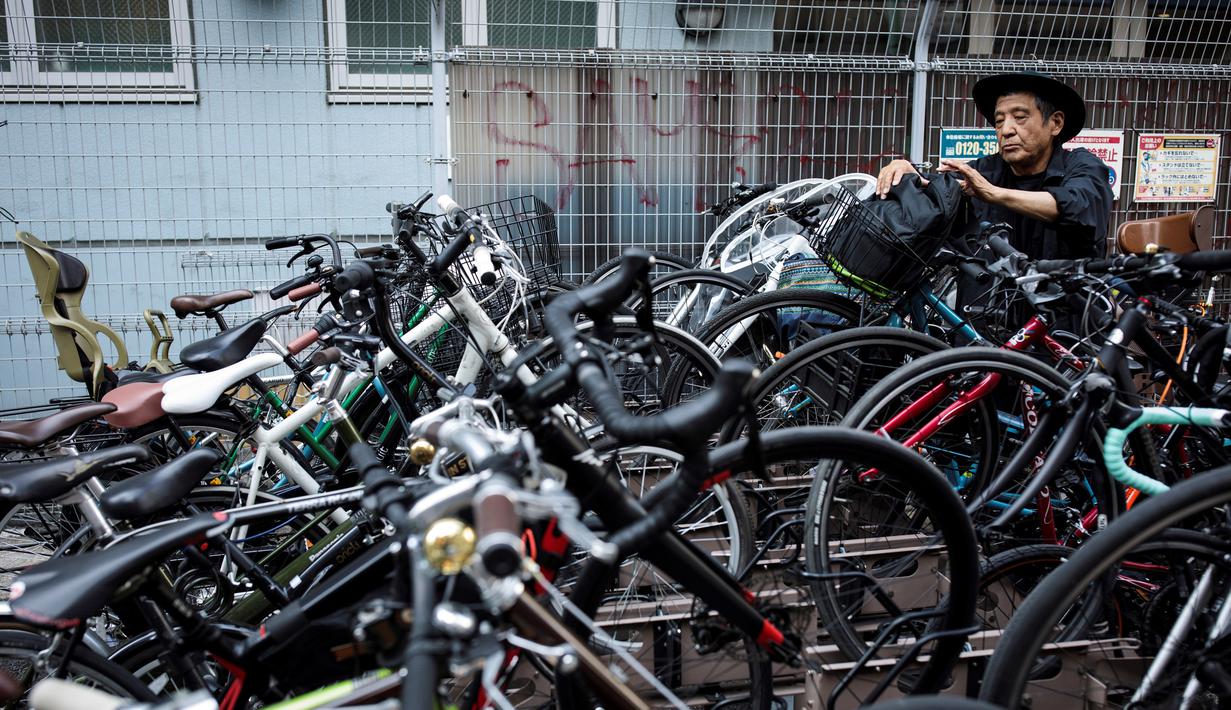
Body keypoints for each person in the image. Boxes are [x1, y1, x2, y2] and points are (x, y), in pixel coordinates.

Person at [877, 72, 1114, 261]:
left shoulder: (1082, 166)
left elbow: (1077, 206)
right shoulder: (986, 169)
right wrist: (906, 169)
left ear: (1055, 123)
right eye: (999, 121)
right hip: (989, 313)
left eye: (1020, 117)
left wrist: (993, 194)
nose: (1006, 130)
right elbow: (939, 181)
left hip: (1065, 312)